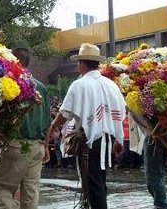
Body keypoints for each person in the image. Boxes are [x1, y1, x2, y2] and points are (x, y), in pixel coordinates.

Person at [46, 43, 126, 209]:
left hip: (89, 140)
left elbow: (65, 112)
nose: (77, 65)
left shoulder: (79, 85)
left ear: (82, 63)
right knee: (98, 181)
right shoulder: (111, 85)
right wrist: (119, 139)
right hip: (106, 140)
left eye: (78, 62)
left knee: (92, 184)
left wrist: (53, 126)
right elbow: (119, 114)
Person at [0, 47, 51, 209]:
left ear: (14, 61)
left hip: (15, 144)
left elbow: (0, 120)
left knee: (3, 187)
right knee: (30, 193)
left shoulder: (10, 85)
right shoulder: (42, 88)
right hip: (37, 146)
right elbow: (47, 122)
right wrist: (45, 146)